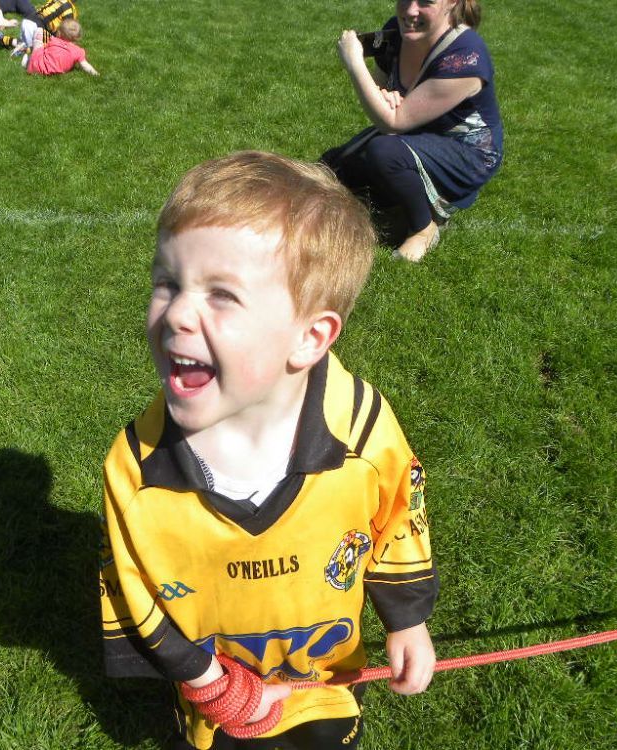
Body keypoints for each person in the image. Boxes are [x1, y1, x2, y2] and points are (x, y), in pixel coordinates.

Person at [100, 151, 438, 750]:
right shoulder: (139, 470)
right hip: (218, 697)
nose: (177, 313)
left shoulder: (362, 434)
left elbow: (397, 519)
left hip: (324, 684)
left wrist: (407, 616)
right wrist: (208, 683)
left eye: (221, 295)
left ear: (309, 337)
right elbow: (134, 589)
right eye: (167, 283)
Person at [322, 0, 503, 262]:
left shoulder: (465, 56)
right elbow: (380, 90)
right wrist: (386, 97)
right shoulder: (396, 32)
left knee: (384, 153)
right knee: (332, 167)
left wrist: (354, 62)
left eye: (425, 2)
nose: (410, 11)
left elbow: (392, 123)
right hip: (417, 130)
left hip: (469, 153)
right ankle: (402, 200)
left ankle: (423, 228)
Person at [16, 17, 99, 76]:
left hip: (35, 67)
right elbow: (85, 65)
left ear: (59, 33)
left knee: (39, 30)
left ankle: (27, 59)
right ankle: (29, 59)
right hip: (55, 73)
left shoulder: (53, 40)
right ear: (77, 38)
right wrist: (96, 74)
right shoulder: (78, 51)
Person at [0, 0, 77, 52]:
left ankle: (4, 39)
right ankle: (23, 49)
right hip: (37, 27)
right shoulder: (69, 9)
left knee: (25, 41)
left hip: (28, 20)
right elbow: (67, 30)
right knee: (51, 44)